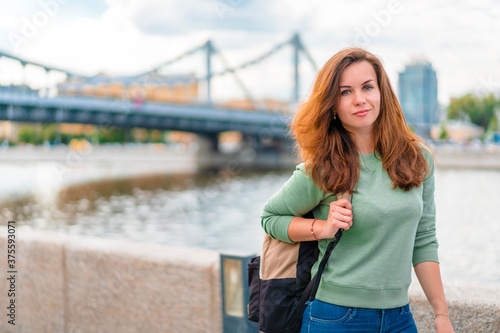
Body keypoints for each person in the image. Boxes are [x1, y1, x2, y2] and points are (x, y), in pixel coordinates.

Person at [260, 48, 454, 333]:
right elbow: (270, 218)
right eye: (345, 92)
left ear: (382, 92)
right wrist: (322, 227)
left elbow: (424, 239)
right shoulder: (323, 168)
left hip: (400, 318)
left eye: (367, 87)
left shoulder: (417, 159)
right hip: (334, 317)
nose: (360, 99)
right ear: (332, 104)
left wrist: (441, 314)